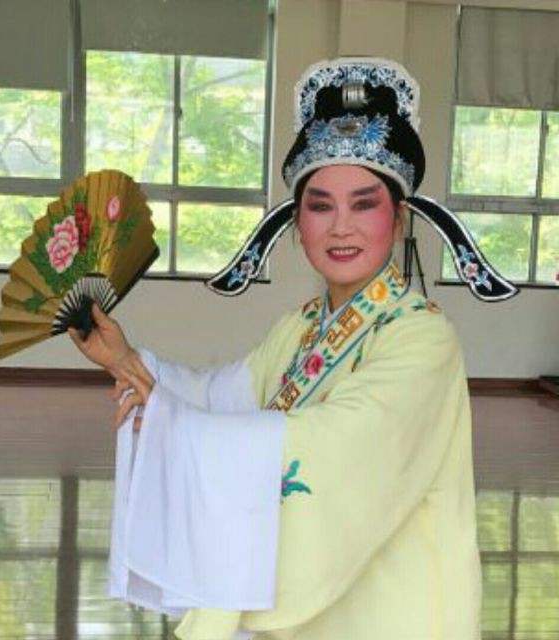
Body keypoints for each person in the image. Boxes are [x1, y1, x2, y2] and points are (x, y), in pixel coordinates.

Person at [69, 57, 515, 640]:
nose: (340, 227)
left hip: (396, 609)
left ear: (399, 218)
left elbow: (343, 440)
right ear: (297, 224)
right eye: (320, 205)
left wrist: (172, 415)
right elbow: (224, 398)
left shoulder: (422, 336)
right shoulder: (300, 326)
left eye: (364, 203)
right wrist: (128, 363)